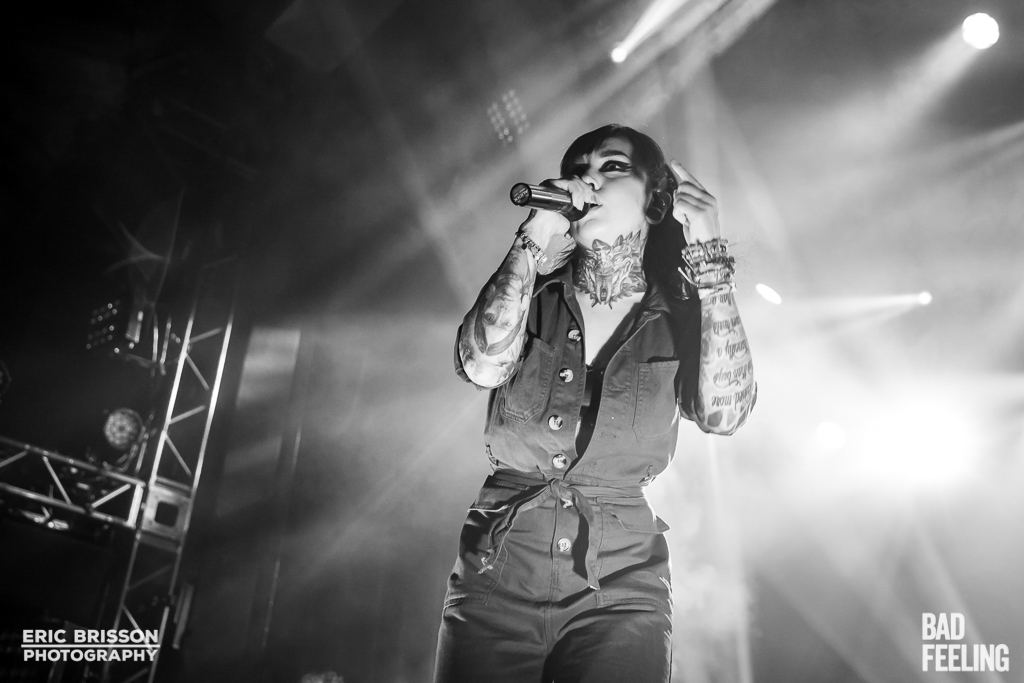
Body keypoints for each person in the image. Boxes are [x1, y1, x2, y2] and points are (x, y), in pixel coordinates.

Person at [434, 124, 756, 683]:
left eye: (612, 166)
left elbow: (725, 414)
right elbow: (481, 364)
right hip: (499, 573)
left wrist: (709, 254)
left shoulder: (680, 317)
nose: (589, 177)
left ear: (657, 203)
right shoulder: (532, 295)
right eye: (579, 168)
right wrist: (535, 234)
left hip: (622, 586)